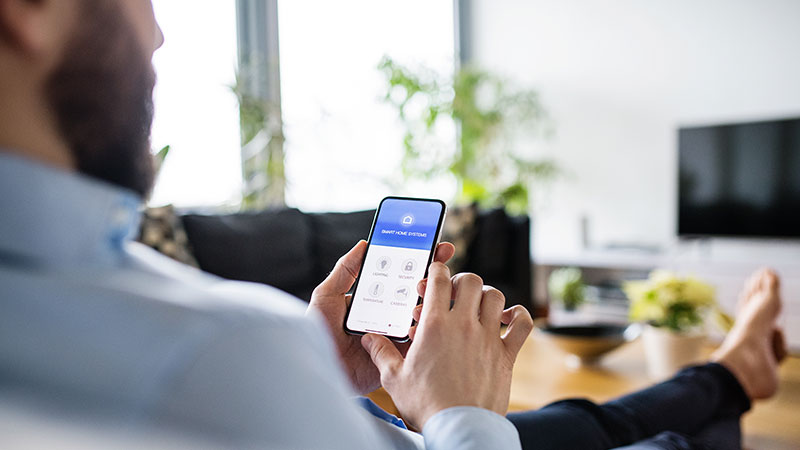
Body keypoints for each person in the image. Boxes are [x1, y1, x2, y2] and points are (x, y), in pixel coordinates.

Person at [0, 1, 786, 449]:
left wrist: (320, 377)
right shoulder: (218, 354)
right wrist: (462, 416)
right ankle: (729, 380)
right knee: (669, 442)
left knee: (583, 420)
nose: (158, 32)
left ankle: (730, 368)